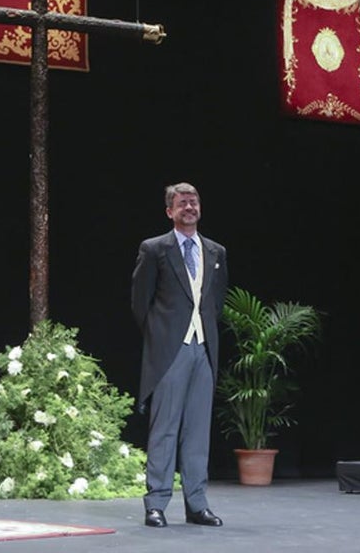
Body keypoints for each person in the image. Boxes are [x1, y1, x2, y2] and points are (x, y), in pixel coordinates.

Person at [131, 182, 227, 528]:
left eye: (194, 201)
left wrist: (201, 336)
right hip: (170, 350)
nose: (190, 206)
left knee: (198, 432)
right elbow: (141, 302)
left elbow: (216, 303)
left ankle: (196, 504)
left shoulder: (215, 252)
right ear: (170, 211)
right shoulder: (155, 249)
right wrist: (161, 337)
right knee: (165, 428)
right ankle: (155, 503)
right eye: (182, 202)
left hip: (202, 349)